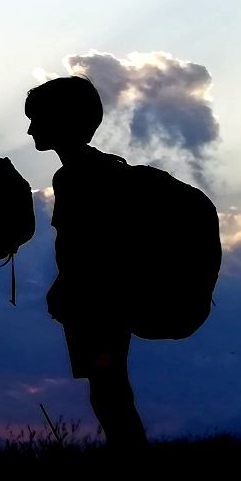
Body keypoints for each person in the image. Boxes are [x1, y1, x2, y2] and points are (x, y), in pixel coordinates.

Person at [25, 74, 146, 448]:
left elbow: (82, 244)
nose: (30, 130)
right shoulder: (103, 169)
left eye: (37, 119)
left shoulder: (75, 176)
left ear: (62, 121)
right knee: (109, 385)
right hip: (107, 297)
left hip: (95, 301)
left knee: (108, 388)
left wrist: (64, 286)